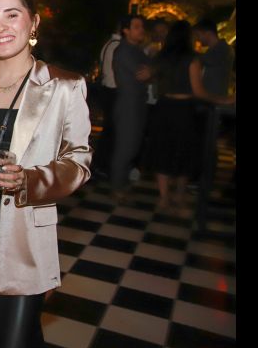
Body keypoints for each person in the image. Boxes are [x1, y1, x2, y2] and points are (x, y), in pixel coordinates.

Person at [0, 0, 92, 348]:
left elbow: (79, 161)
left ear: (34, 23)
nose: (0, 27)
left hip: (25, 232)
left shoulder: (64, 86)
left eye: (12, 15)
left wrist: (31, 179)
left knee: (13, 342)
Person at [145, 20, 233, 211]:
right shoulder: (192, 59)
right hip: (184, 109)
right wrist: (222, 99)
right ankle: (178, 196)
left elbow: (149, 76)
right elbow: (199, 92)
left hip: (164, 107)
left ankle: (163, 197)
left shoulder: (162, 57)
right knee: (184, 151)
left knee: (163, 150)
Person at [109, 14, 151, 203]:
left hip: (138, 102)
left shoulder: (137, 51)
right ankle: (117, 187)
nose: (141, 30)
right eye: (136, 27)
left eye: (142, 27)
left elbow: (149, 73)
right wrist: (152, 71)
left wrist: (152, 71)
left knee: (133, 146)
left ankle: (122, 184)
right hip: (128, 103)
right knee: (125, 147)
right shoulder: (124, 51)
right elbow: (143, 74)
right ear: (126, 30)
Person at [90, 21, 122, 177]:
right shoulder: (117, 46)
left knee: (109, 130)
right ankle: (101, 164)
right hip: (113, 91)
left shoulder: (109, 44)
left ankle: (99, 164)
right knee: (111, 131)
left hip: (107, 90)